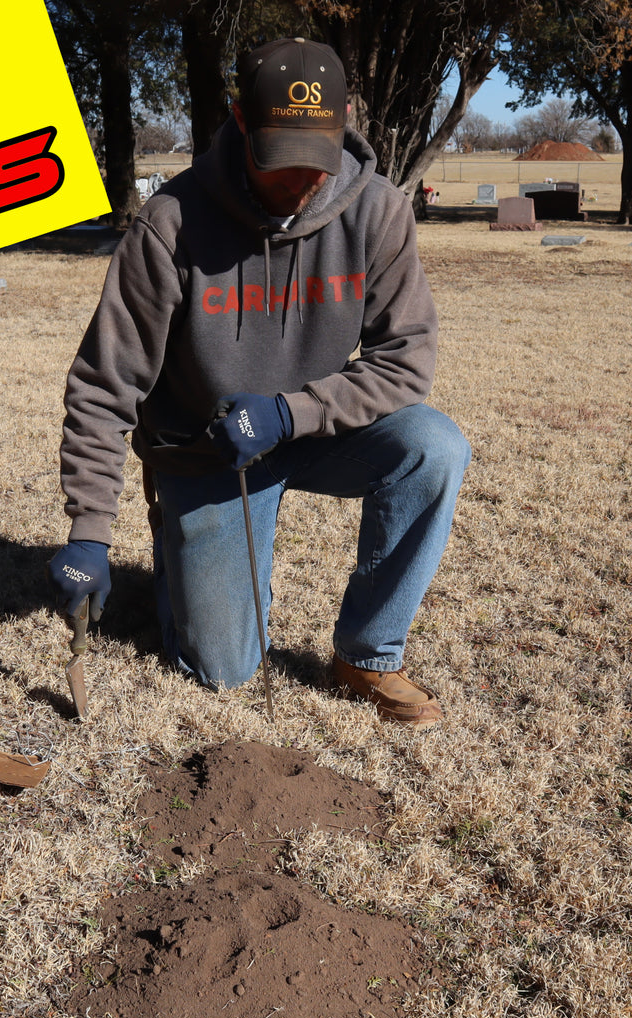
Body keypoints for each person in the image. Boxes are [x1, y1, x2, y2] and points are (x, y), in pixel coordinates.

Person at [48, 37, 469, 729]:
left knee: (433, 447)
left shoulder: (379, 212)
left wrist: (288, 413)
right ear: (240, 122)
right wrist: (90, 531)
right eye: (280, 163)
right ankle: (180, 552)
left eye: (316, 162)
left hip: (311, 430)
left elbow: (406, 359)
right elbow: (104, 383)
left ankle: (367, 655)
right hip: (206, 450)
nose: (300, 182)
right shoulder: (169, 224)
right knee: (220, 670)